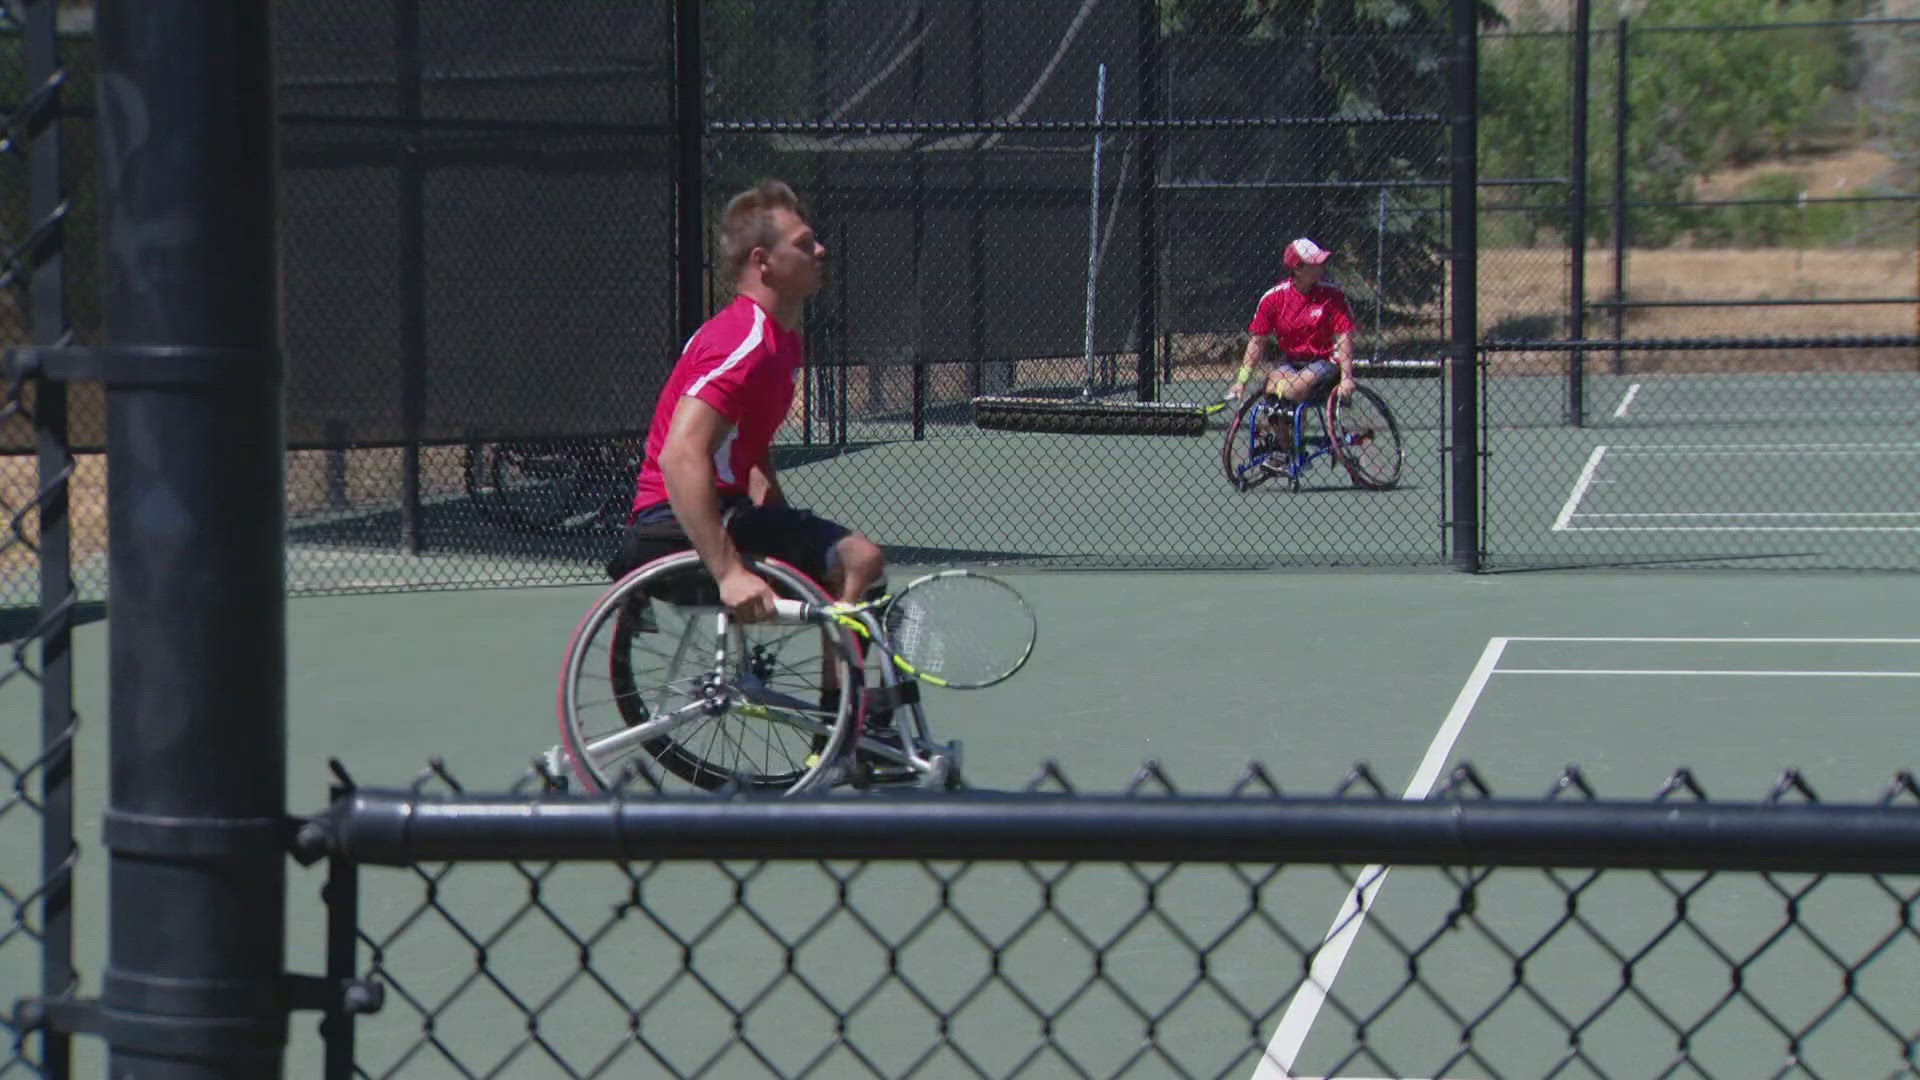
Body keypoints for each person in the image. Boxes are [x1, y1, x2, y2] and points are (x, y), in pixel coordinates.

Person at [610, 179, 886, 624]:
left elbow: (750, 450)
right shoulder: (745, 340)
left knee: (848, 568)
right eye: (804, 244)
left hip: (725, 508)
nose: (820, 251)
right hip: (674, 523)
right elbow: (680, 456)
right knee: (859, 558)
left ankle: (842, 692)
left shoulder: (781, 342)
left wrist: (782, 520)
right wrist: (729, 573)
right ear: (764, 262)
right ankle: (847, 690)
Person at [1225, 237, 1359, 456]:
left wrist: (1347, 377)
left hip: (1325, 362)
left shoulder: (1332, 294)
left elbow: (1344, 336)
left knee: (1293, 389)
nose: (1321, 266)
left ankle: (1290, 432)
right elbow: (1257, 341)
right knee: (1271, 388)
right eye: (1314, 263)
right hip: (1292, 364)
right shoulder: (1273, 299)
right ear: (1298, 268)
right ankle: (1288, 449)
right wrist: (1241, 381)